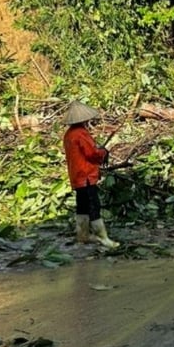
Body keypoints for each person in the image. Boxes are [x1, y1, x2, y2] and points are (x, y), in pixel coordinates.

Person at [62, 100, 119, 249]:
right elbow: (92, 153)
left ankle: (83, 235)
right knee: (94, 205)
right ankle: (103, 237)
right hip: (86, 175)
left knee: (82, 206)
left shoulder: (68, 135)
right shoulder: (81, 134)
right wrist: (103, 152)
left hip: (76, 175)